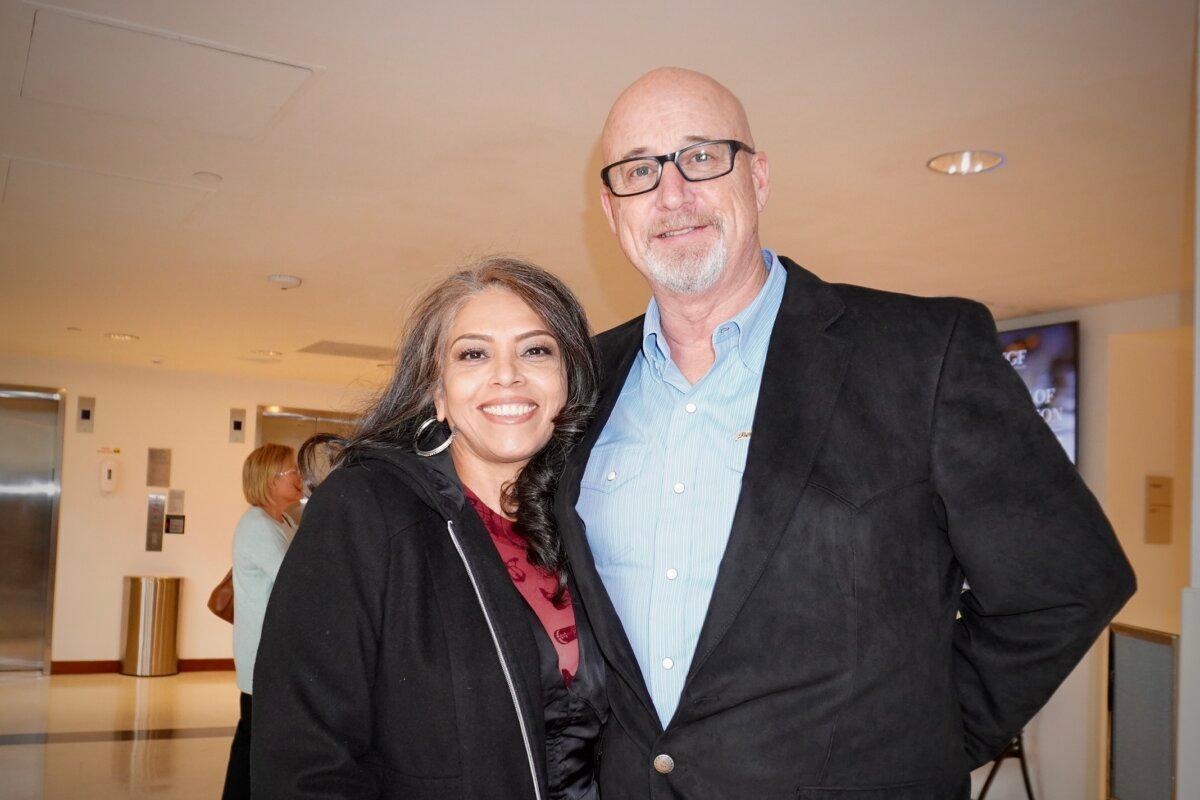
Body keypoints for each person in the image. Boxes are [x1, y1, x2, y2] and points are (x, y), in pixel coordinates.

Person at [555, 67, 1137, 800]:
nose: (673, 194)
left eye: (702, 157)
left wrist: (921, 739)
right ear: (612, 211)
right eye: (640, 170)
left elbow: (1065, 584)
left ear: (758, 179)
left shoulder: (921, 351)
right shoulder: (577, 381)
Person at [251, 257, 606, 800]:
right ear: (437, 391)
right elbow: (304, 760)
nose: (507, 374)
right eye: (473, 353)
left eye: (536, 350)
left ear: (567, 380)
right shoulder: (364, 510)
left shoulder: (590, 522)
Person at [221, 444, 303, 800]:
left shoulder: (283, 521)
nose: (300, 478)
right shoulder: (257, 526)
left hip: (276, 651)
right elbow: (296, 582)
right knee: (253, 738)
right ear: (271, 481)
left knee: (256, 737)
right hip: (261, 653)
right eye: (292, 472)